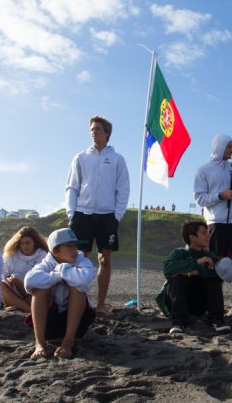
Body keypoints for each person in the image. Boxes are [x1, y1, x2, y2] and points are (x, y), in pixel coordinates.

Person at [65, 115, 130, 316]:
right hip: (83, 215)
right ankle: (80, 303)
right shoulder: (81, 157)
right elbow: (71, 187)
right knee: (79, 259)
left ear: (107, 133)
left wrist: (116, 216)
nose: (94, 132)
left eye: (98, 129)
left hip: (107, 217)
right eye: (92, 129)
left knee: (104, 259)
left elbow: (123, 189)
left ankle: (100, 304)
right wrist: (71, 213)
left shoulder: (117, 159)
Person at [194, 133, 232, 315]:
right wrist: (221, 196)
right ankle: (215, 303)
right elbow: (199, 198)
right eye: (228, 146)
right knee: (216, 262)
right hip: (215, 222)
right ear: (219, 147)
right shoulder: (203, 170)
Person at [24, 228, 97, 359]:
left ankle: (68, 343)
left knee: (77, 287)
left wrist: (63, 269)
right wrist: (59, 276)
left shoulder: (81, 259)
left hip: (77, 325)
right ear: (55, 251)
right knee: (39, 289)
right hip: (50, 324)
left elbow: (85, 277)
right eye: (69, 246)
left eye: (75, 245)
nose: (74, 250)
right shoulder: (46, 263)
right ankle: (40, 343)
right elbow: (29, 281)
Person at [159, 221, 232, 334]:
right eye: (204, 233)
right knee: (177, 279)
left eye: (208, 233)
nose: (208, 236)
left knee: (213, 280)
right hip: (177, 303)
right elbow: (168, 269)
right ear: (192, 237)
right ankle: (178, 323)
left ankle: (216, 320)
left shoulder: (210, 256)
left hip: (199, 305)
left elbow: (224, 276)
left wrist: (194, 272)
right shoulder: (179, 253)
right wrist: (197, 263)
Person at [1, 227, 49, 312]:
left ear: (34, 242)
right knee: (0, 285)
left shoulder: (44, 256)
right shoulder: (12, 256)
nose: (25, 246)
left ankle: (19, 306)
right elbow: (3, 275)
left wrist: (21, 283)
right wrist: (11, 280)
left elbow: (46, 278)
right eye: (22, 243)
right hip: (15, 292)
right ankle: (28, 309)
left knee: (42, 290)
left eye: (28, 243)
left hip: (33, 292)